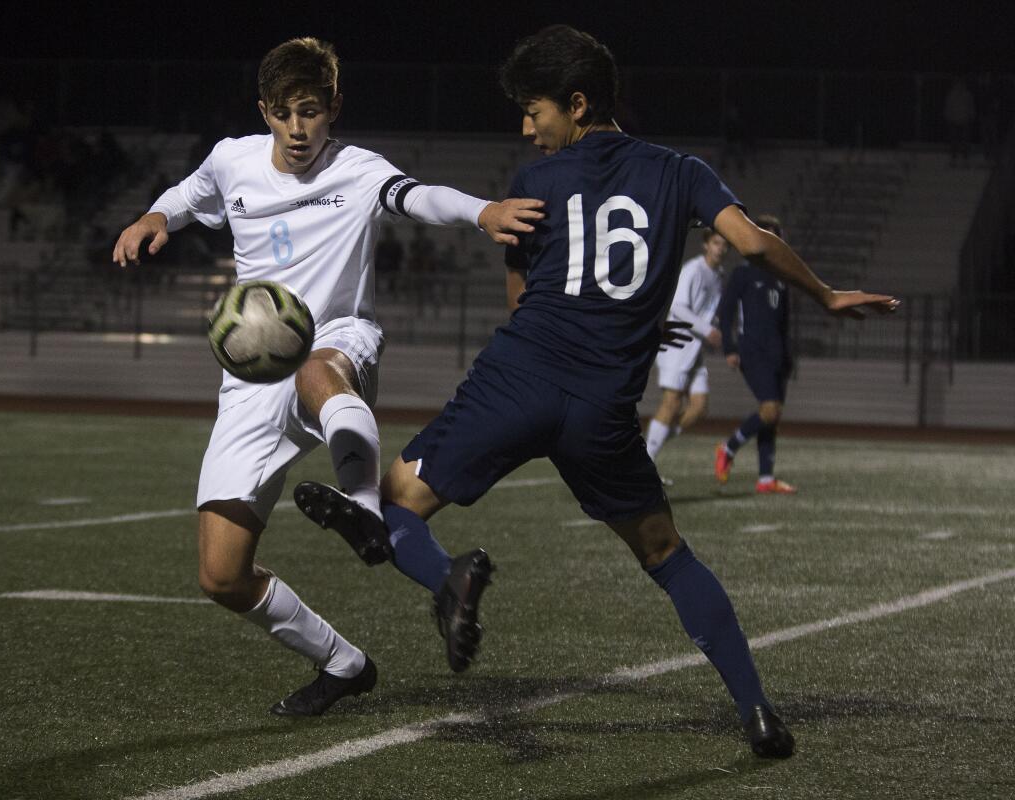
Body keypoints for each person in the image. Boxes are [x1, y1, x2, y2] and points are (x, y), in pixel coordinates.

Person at [299, 25, 898, 757]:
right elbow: (750, 243)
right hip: (602, 410)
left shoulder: (533, 183)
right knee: (668, 555)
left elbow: (524, 306)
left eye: (535, 110)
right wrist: (828, 295)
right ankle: (758, 713)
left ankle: (447, 580)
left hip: (516, 383)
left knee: (389, 507)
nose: (527, 127)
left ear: (577, 104)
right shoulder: (681, 171)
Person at [112, 37, 543, 718]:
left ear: (333, 107)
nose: (297, 128)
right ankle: (343, 663)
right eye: (283, 114)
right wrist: (152, 218)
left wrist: (483, 211)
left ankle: (365, 511)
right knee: (221, 575)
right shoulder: (233, 160)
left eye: (310, 111)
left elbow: (418, 196)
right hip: (252, 379)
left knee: (317, 364)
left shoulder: (358, 169)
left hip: (338, 340)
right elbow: (188, 194)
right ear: (264, 111)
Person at [714, 214, 797, 494]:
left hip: (776, 355)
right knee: (769, 409)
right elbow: (725, 313)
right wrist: (730, 347)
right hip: (752, 351)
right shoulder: (743, 273)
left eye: (776, 236)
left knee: (772, 415)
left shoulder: (782, 276)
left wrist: (788, 357)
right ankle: (728, 447)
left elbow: (784, 322)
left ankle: (765, 479)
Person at [645, 228, 728, 475]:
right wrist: (707, 329)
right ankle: (645, 464)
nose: (720, 248)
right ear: (706, 244)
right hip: (677, 343)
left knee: (700, 407)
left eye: (724, 244)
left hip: (695, 348)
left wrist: (715, 327)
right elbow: (678, 307)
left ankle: (646, 451)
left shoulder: (719, 275)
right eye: (716, 243)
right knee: (671, 403)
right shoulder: (693, 270)